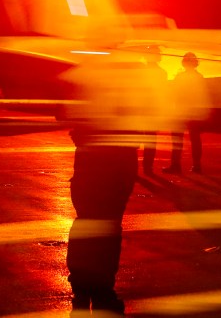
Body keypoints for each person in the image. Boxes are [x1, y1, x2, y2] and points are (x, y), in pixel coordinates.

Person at [60, 56, 162, 315]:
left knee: (86, 223)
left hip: (91, 163)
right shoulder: (133, 81)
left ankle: (83, 288)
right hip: (117, 163)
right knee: (109, 227)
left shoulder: (85, 75)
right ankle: (102, 288)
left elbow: (68, 115)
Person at [163, 52, 212, 175]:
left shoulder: (180, 77)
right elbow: (203, 95)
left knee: (177, 140)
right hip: (194, 111)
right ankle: (196, 165)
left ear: (184, 63)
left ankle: (176, 165)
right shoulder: (199, 77)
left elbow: (173, 93)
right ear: (195, 63)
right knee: (195, 139)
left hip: (180, 111)